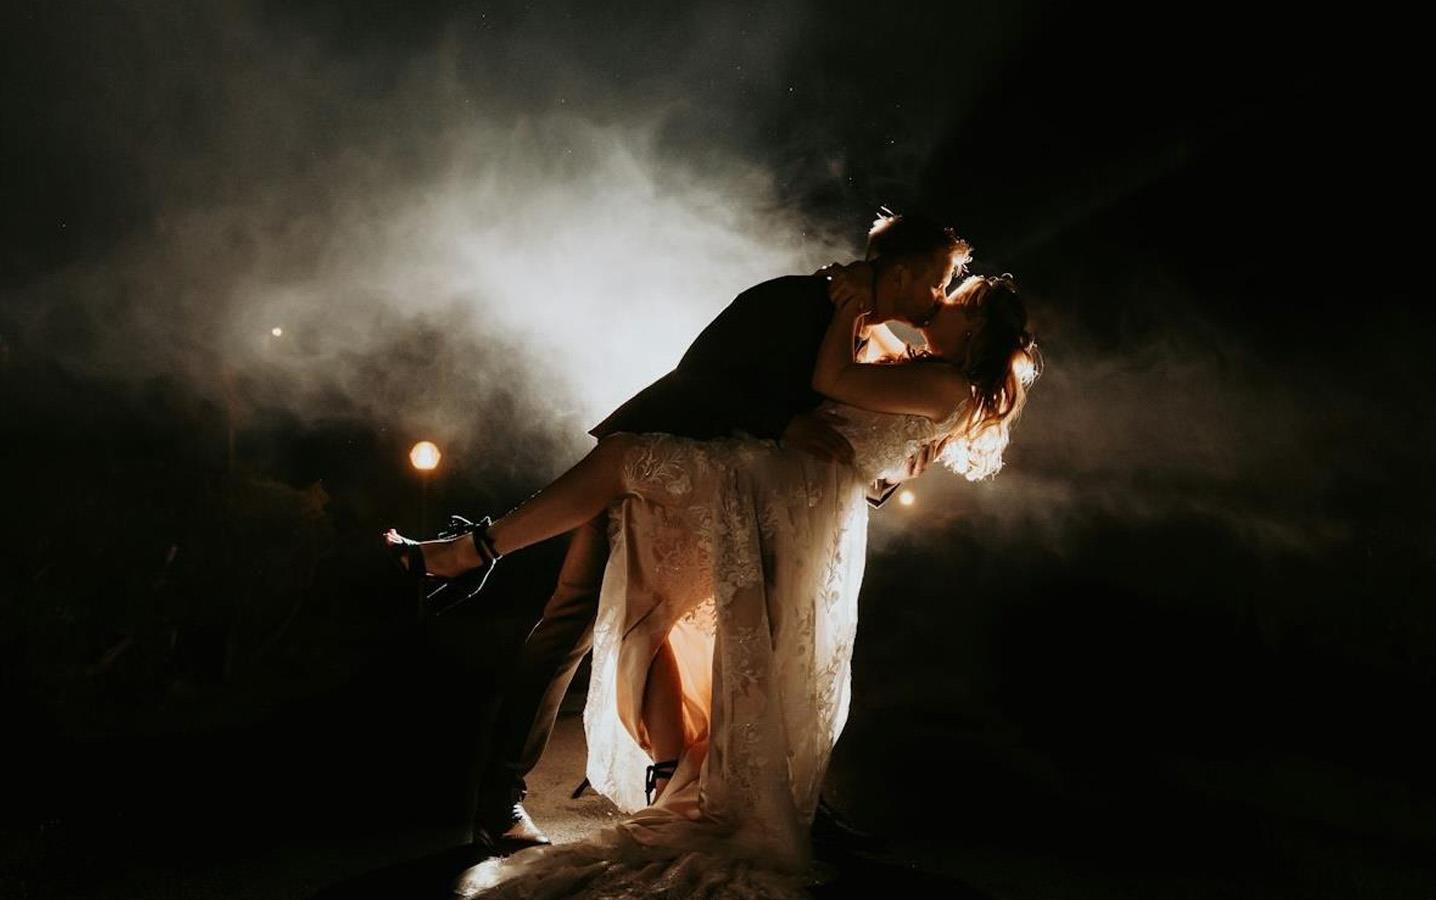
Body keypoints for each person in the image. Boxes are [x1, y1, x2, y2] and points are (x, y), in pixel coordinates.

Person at [387, 251, 1042, 896]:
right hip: (706, 461)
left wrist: (851, 327)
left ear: (974, 331)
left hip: (757, 493)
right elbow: (706, 374)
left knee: (712, 637)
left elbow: (845, 407)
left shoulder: (892, 348)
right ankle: (525, 784)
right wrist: (848, 316)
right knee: (598, 622)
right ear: (899, 272)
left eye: (952, 297)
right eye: (937, 284)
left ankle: (722, 784)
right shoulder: (802, 304)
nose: (938, 299)